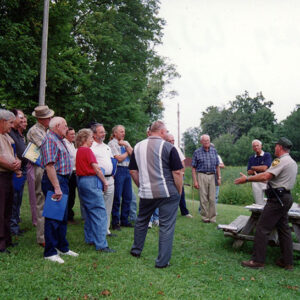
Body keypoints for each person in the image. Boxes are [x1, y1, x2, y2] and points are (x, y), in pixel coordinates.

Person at [235, 137, 298, 270]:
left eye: (276, 146)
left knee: (262, 228)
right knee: (284, 229)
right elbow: (275, 180)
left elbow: (266, 176)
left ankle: (258, 261)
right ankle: (287, 262)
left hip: (277, 199)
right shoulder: (292, 162)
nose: (274, 148)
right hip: (285, 197)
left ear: (280, 147)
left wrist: (246, 179)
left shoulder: (280, 161)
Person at [129, 120, 183, 268]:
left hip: (147, 193)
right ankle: (162, 262)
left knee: (142, 221)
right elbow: (177, 172)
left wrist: (142, 185)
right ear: (161, 132)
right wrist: (179, 190)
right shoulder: (168, 147)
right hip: (167, 192)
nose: (166, 134)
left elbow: (133, 171)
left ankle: (136, 250)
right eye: (165, 132)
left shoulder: (137, 147)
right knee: (166, 226)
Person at [40, 117, 78, 263]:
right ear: (57, 126)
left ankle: (62, 247)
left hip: (63, 180)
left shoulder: (59, 139)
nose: (67, 128)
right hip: (55, 181)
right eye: (65, 125)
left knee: (62, 216)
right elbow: (49, 166)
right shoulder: (50, 139)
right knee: (53, 217)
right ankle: (49, 252)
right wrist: (56, 187)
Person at [76, 129, 115, 253]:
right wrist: (104, 182)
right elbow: (96, 168)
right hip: (91, 181)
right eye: (90, 138)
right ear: (84, 139)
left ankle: (90, 238)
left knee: (88, 211)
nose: (92, 140)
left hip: (81, 181)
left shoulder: (79, 151)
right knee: (99, 212)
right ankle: (101, 245)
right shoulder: (87, 150)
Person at [27, 105, 54, 247]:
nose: (50, 119)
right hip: (40, 167)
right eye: (47, 117)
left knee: (50, 199)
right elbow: (47, 146)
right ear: (40, 119)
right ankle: (42, 237)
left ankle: (50, 233)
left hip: (48, 167)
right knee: (41, 200)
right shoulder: (34, 131)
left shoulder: (47, 130)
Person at [0, 109, 21, 254]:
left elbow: (13, 154)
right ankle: (0, 244)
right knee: (0, 210)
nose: (12, 125)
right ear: (2, 121)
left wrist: (17, 163)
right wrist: (10, 165)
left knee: (8, 208)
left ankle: (7, 239)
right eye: (10, 122)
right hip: (1, 176)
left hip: (8, 176)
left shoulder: (7, 136)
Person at [91, 123, 116, 237]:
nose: (104, 134)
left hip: (110, 179)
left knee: (108, 205)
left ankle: (106, 229)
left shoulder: (107, 147)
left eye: (104, 131)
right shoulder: (91, 147)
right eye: (101, 132)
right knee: (97, 205)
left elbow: (112, 161)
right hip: (97, 179)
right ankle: (97, 230)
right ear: (94, 134)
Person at [108, 125, 133, 230]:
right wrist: (127, 150)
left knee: (128, 197)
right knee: (117, 197)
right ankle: (115, 222)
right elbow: (118, 159)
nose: (123, 133)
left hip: (127, 170)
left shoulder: (125, 142)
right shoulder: (111, 143)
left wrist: (126, 146)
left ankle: (124, 220)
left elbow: (134, 154)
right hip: (118, 170)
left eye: (124, 131)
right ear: (115, 133)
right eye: (121, 131)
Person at [192, 134, 220, 223]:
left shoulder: (214, 151)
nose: (207, 142)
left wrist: (219, 177)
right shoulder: (197, 152)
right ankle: (205, 217)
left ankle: (212, 218)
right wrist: (195, 181)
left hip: (212, 175)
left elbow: (217, 165)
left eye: (208, 140)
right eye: (205, 141)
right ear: (201, 142)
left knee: (212, 198)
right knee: (203, 198)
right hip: (201, 175)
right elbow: (193, 168)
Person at [9, 109, 27, 236]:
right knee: (13, 200)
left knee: (18, 200)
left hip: (22, 170)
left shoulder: (17, 133)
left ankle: (15, 226)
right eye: (20, 117)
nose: (22, 120)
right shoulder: (8, 132)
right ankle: (12, 228)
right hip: (14, 171)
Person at [166, 133, 193, 218]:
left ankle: (184, 212)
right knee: (168, 194)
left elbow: (182, 162)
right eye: (169, 141)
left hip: (178, 174)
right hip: (168, 175)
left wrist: (182, 172)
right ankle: (168, 212)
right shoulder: (164, 148)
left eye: (173, 140)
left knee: (181, 193)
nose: (171, 142)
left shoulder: (176, 148)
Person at [247, 139, 272, 205]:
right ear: (252, 148)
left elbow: (264, 168)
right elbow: (249, 172)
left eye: (257, 145)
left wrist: (253, 167)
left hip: (266, 180)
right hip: (256, 181)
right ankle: (259, 214)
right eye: (254, 146)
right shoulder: (251, 158)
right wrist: (259, 168)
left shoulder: (267, 155)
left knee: (271, 200)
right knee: (258, 202)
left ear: (261, 146)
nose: (256, 147)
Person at [64, 127, 77, 223]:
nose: (74, 136)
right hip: (68, 173)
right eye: (71, 134)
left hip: (74, 172)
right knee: (68, 195)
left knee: (72, 195)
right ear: (66, 134)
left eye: (74, 134)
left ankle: (70, 215)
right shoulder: (64, 144)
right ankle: (67, 216)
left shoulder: (72, 145)